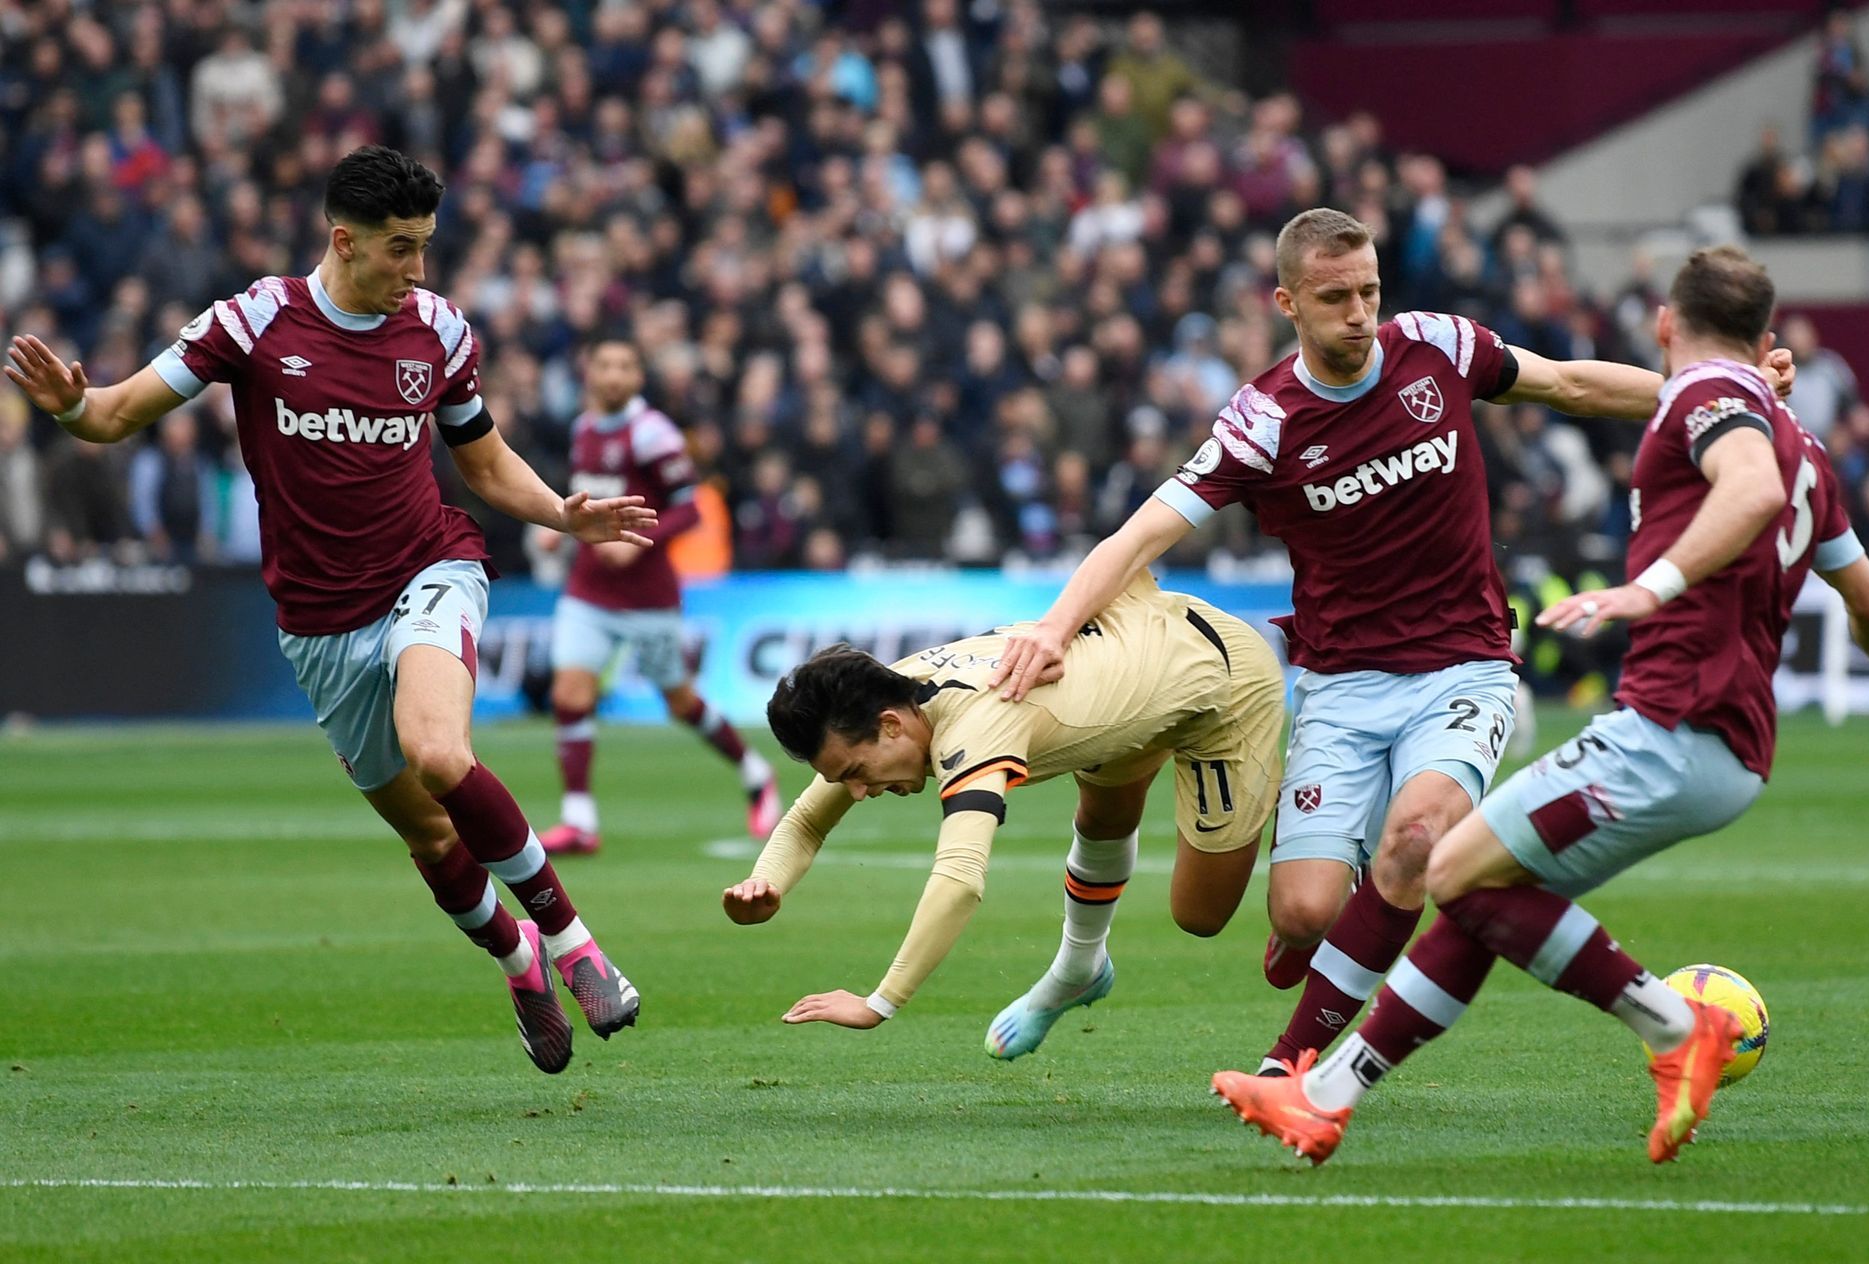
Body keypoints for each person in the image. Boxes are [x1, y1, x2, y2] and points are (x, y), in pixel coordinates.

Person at [989, 208, 1795, 1079]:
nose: (1359, 313)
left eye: (1369, 290)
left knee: (1416, 843)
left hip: (1464, 667)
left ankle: (1288, 1071)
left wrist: (1718, 387)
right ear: (1286, 303)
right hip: (1339, 685)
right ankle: (1344, 912)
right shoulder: (1263, 421)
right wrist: (1053, 627)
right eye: (1334, 297)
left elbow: (1567, 384)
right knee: (1300, 916)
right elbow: (1141, 534)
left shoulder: (1437, 348)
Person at [1209, 245, 1869, 1165]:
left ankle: (1675, 1026)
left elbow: (1741, 488)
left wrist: (1648, 588)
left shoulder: (1702, 407)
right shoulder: (1806, 447)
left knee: (1452, 870)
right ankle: (1321, 1095)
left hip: (1666, 728)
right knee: (1480, 888)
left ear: (1665, 328)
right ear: (1762, 342)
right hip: (1737, 749)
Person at [5, 145, 649, 1075]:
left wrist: (561, 511)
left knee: (439, 752)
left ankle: (575, 943)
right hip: (317, 623)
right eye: (400, 249)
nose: (416, 271)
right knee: (430, 836)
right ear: (343, 241)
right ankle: (516, 963)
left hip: (430, 567)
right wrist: (73, 407)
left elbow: (480, 461)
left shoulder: (440, 331)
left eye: (425, 247)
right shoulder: (255, 321)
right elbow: (113, 416)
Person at [720, 571, 1283, 1057]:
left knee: (1200, 915)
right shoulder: (885, 695)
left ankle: (1326, 819)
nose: (859, 793)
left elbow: (960, 880)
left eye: (856, 773)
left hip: (1223, 683)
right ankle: (1079, 969)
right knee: (1104, 815)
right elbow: (805, 821)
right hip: (1139, 652)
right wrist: (764, 883)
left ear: (890, 726)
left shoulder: (974, 728)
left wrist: (879, 1002)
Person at [535, 339, 782, 857]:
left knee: (681, 702)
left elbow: (690, 510)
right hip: (588, 588)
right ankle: (579, 819)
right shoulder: (583, 428)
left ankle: (756, 772)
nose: (614, 374)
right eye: (604, 364)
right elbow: (587, 498)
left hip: (648, 597)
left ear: (638, 377)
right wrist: (561, 525)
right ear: (590, 371)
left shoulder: (653, 435)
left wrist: (637, 545)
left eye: (625, 366)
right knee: (569, 695)